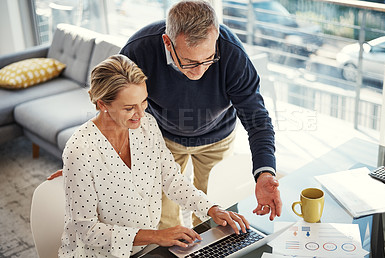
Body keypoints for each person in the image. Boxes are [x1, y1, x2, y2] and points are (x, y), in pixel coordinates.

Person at [58, 54, 250, 257]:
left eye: (143, 101)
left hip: (146, 249)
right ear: (103, 104)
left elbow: (172, 179)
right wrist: (155, 236)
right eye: (129, 108)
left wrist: (212, 208)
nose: (140, 114)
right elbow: (86, 229)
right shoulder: (80, 151)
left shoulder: (146, 125)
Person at [119, 0, 282, 229]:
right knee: (164, 218)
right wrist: (91, 156)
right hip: (162, 139)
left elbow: (258, 121)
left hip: (217, 138)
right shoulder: (138, 51)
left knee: (216, 215)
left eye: (208, 59)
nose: (199, 71)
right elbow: (114, 105)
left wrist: (264, 172)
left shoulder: (232, 54)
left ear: (215, 37)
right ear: (168, 42)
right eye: (188, 61)